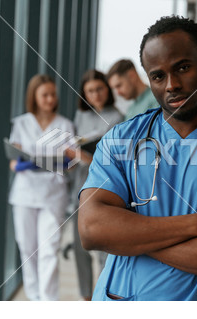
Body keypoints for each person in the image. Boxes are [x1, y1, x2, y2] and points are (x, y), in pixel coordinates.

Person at [78, 16, 197, 301]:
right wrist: (196, 225)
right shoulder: (122, 140)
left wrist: (128, 236)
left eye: (182, 67)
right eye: (158, 76)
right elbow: (92, 229)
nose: (172, 84)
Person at [8, 74, 74, 301]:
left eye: (53, 95)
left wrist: (63, 160)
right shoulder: (21, 123)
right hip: (25, 193)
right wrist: (20, 163)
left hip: (53, 194)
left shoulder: (65, 124)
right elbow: (13, 160)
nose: (49, 99)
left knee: (49, 250)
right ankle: (34, 299)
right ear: (34, 97)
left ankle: (48, 303)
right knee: (28, 250)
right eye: (44, 95)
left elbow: (71, 162)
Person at [68, 69, 123, 301]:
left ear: (107, 89)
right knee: (80, 249)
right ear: (84, 95)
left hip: (104, 191)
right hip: (78, 189)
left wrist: (82, 155)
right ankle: (85, 298)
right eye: (90, 91)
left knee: (102, 249)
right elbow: (74, 154)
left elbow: (114, 160)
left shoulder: (118, 119)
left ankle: (102, 298)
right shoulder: (80, 117)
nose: (96, 94)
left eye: (99, 89)